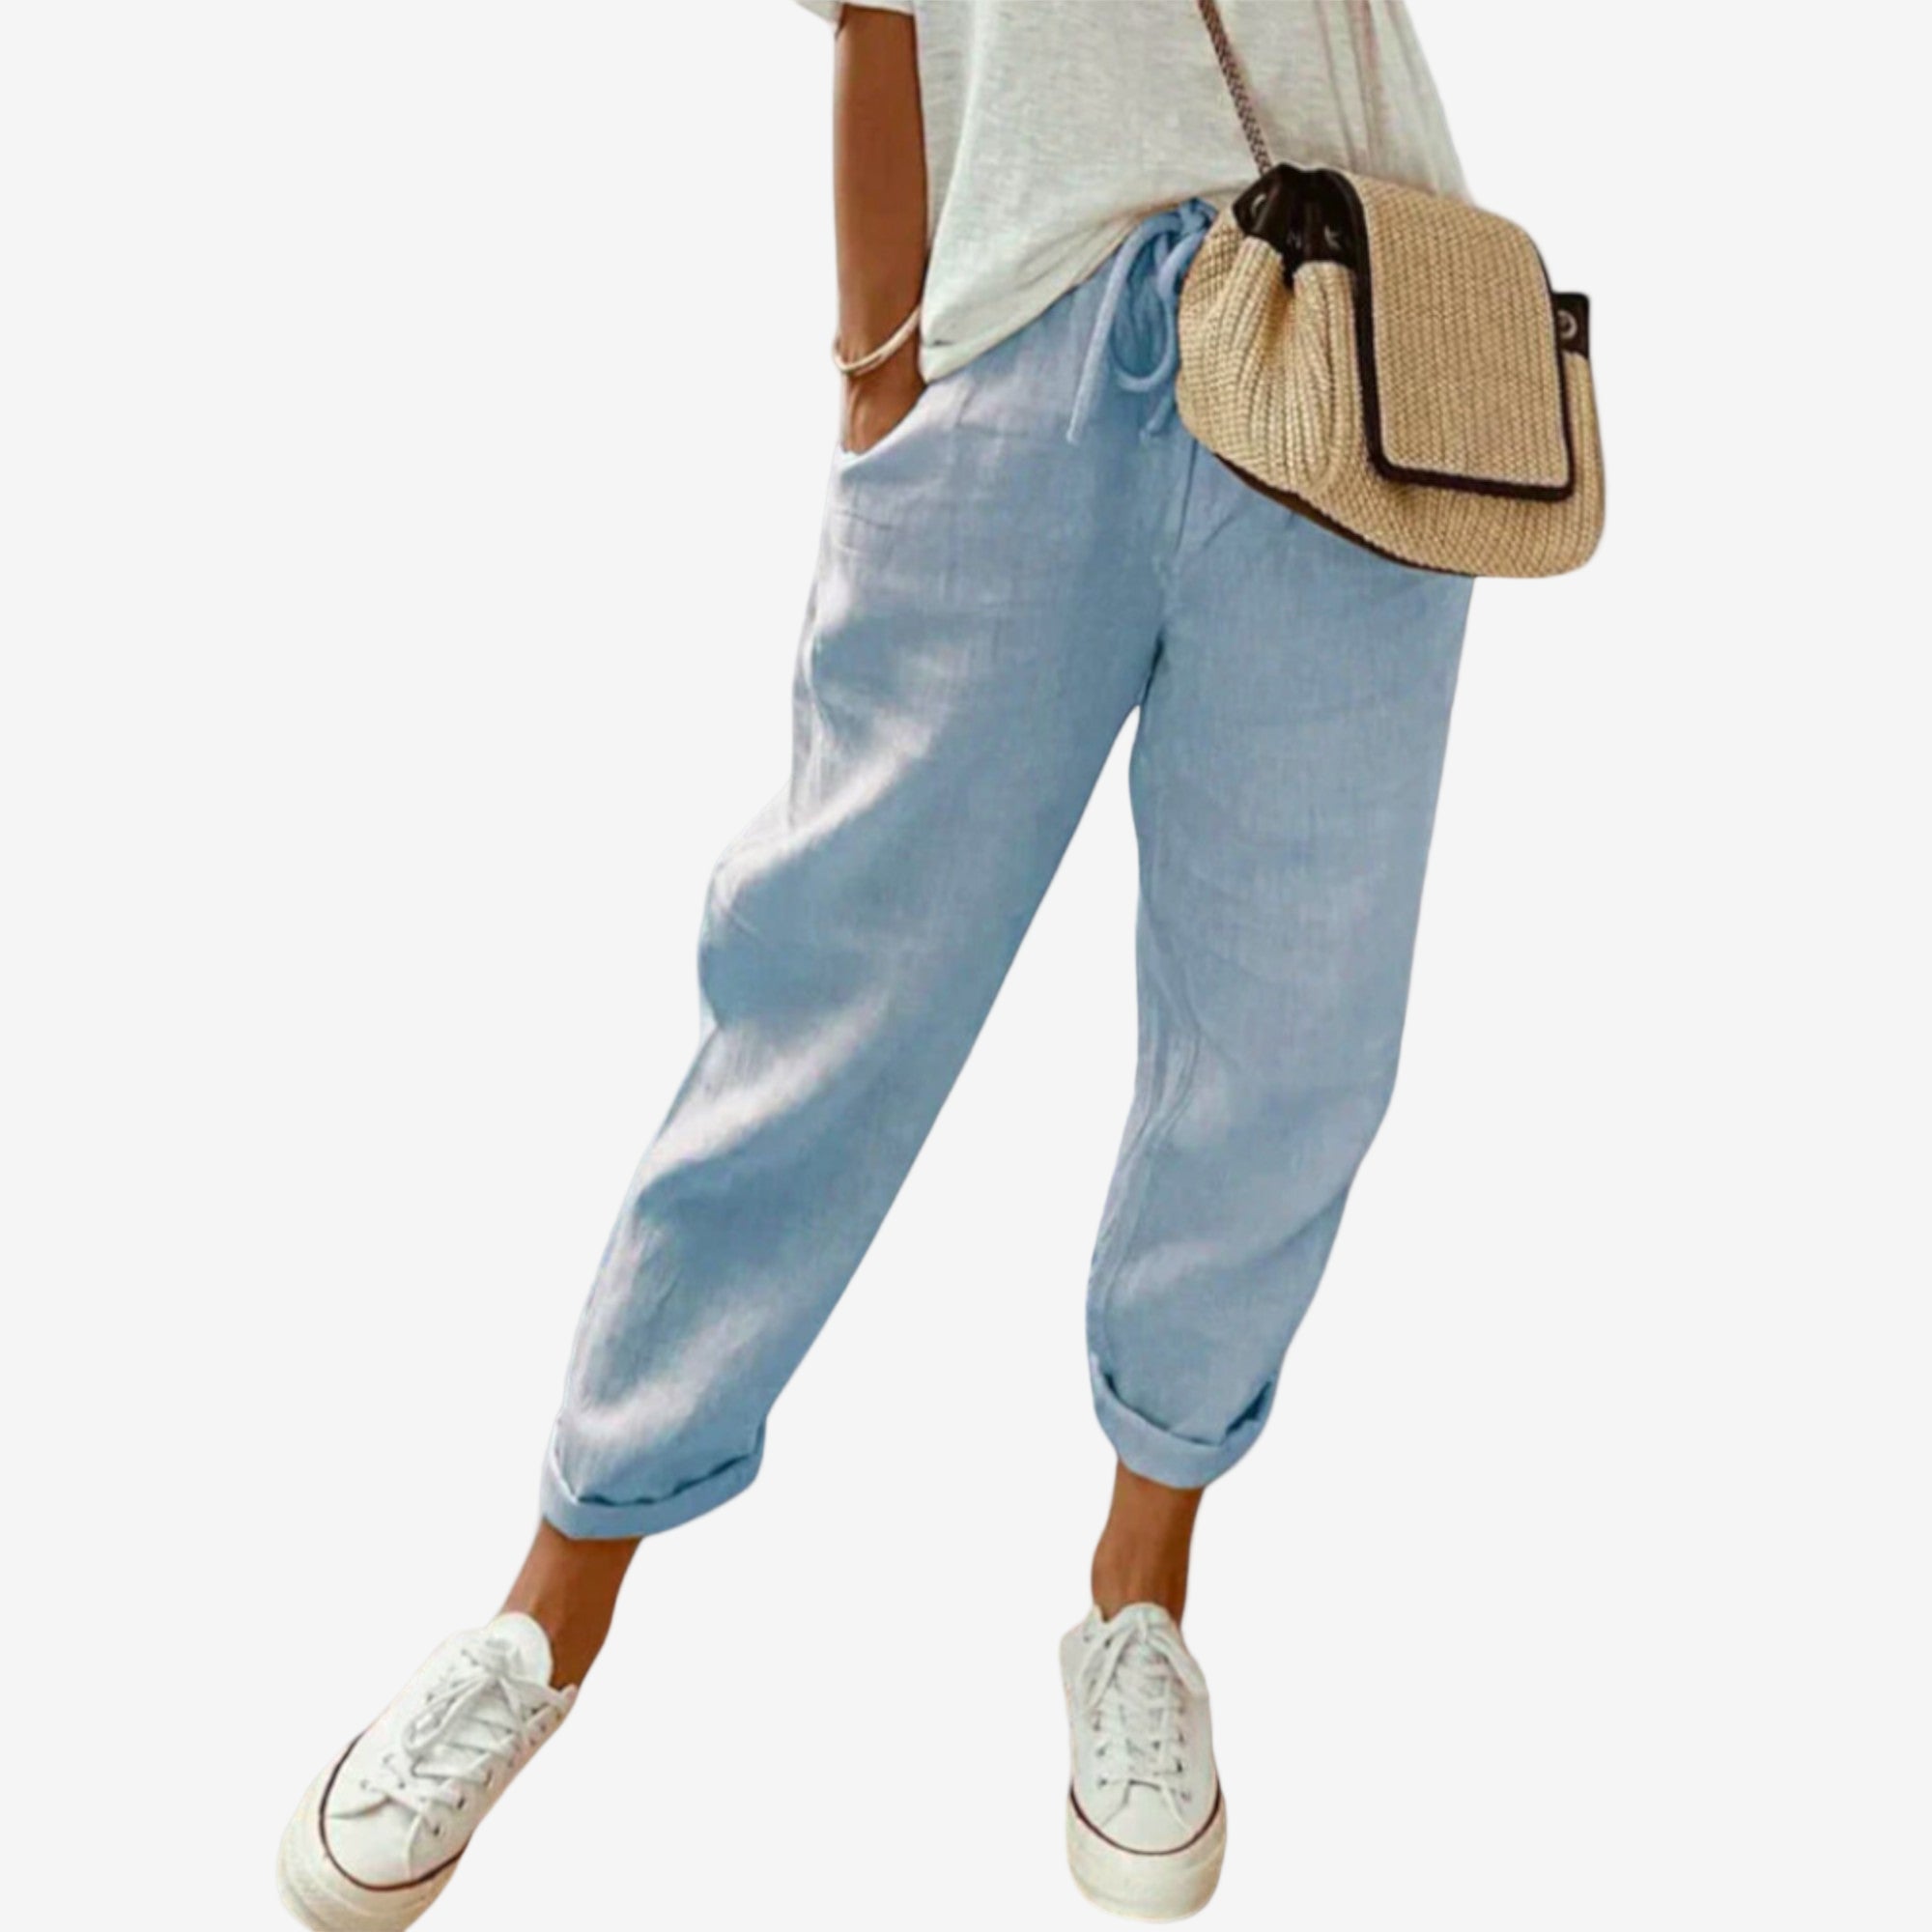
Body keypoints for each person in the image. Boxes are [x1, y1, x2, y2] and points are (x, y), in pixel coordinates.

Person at [275, 3, 1472, 1923]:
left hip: (1349, 327)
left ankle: (1141, 1600)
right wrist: (879, 370)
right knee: (823, 993)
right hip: (1022, 338)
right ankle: (551, 1602)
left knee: (1290, 1041)